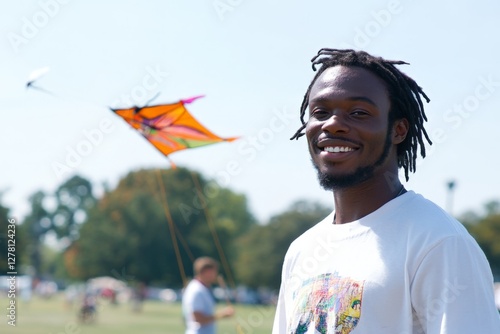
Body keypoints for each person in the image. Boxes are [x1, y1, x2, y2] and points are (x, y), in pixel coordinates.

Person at [272, 49, 500, 333]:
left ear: (398, 130)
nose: (332, 124)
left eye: (358, 113)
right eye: (320, 112)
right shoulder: (302, 250)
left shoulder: (439, 242)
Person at [182, 257, 234, 334]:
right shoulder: (197, 290)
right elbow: (198, 318)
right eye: (214, 272)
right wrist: (222, 314)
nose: (216, 275)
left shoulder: (203, 288)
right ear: (206, 272)